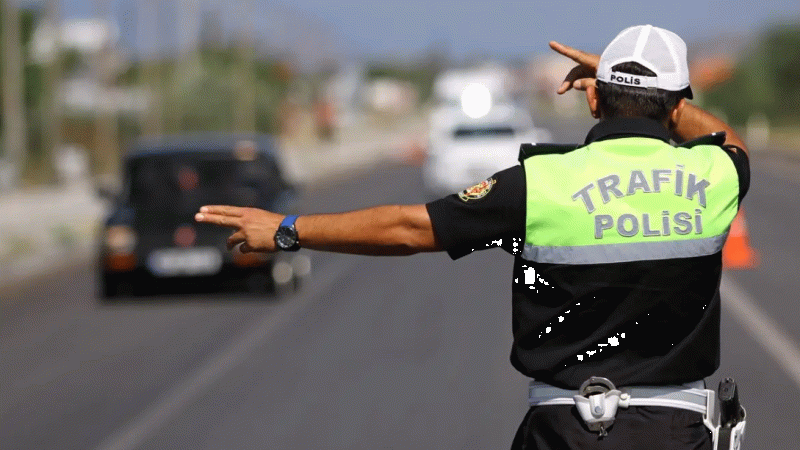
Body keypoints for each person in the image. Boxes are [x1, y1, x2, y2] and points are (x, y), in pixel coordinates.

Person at [196, 25, 749, 450]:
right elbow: (729, 140)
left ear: (593, 99)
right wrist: (645, 91)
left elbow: (408, 227)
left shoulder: (537, 183)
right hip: (677, 433)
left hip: (564, 431)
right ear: (677, 107)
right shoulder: (715, 176)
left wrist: (288, 231)